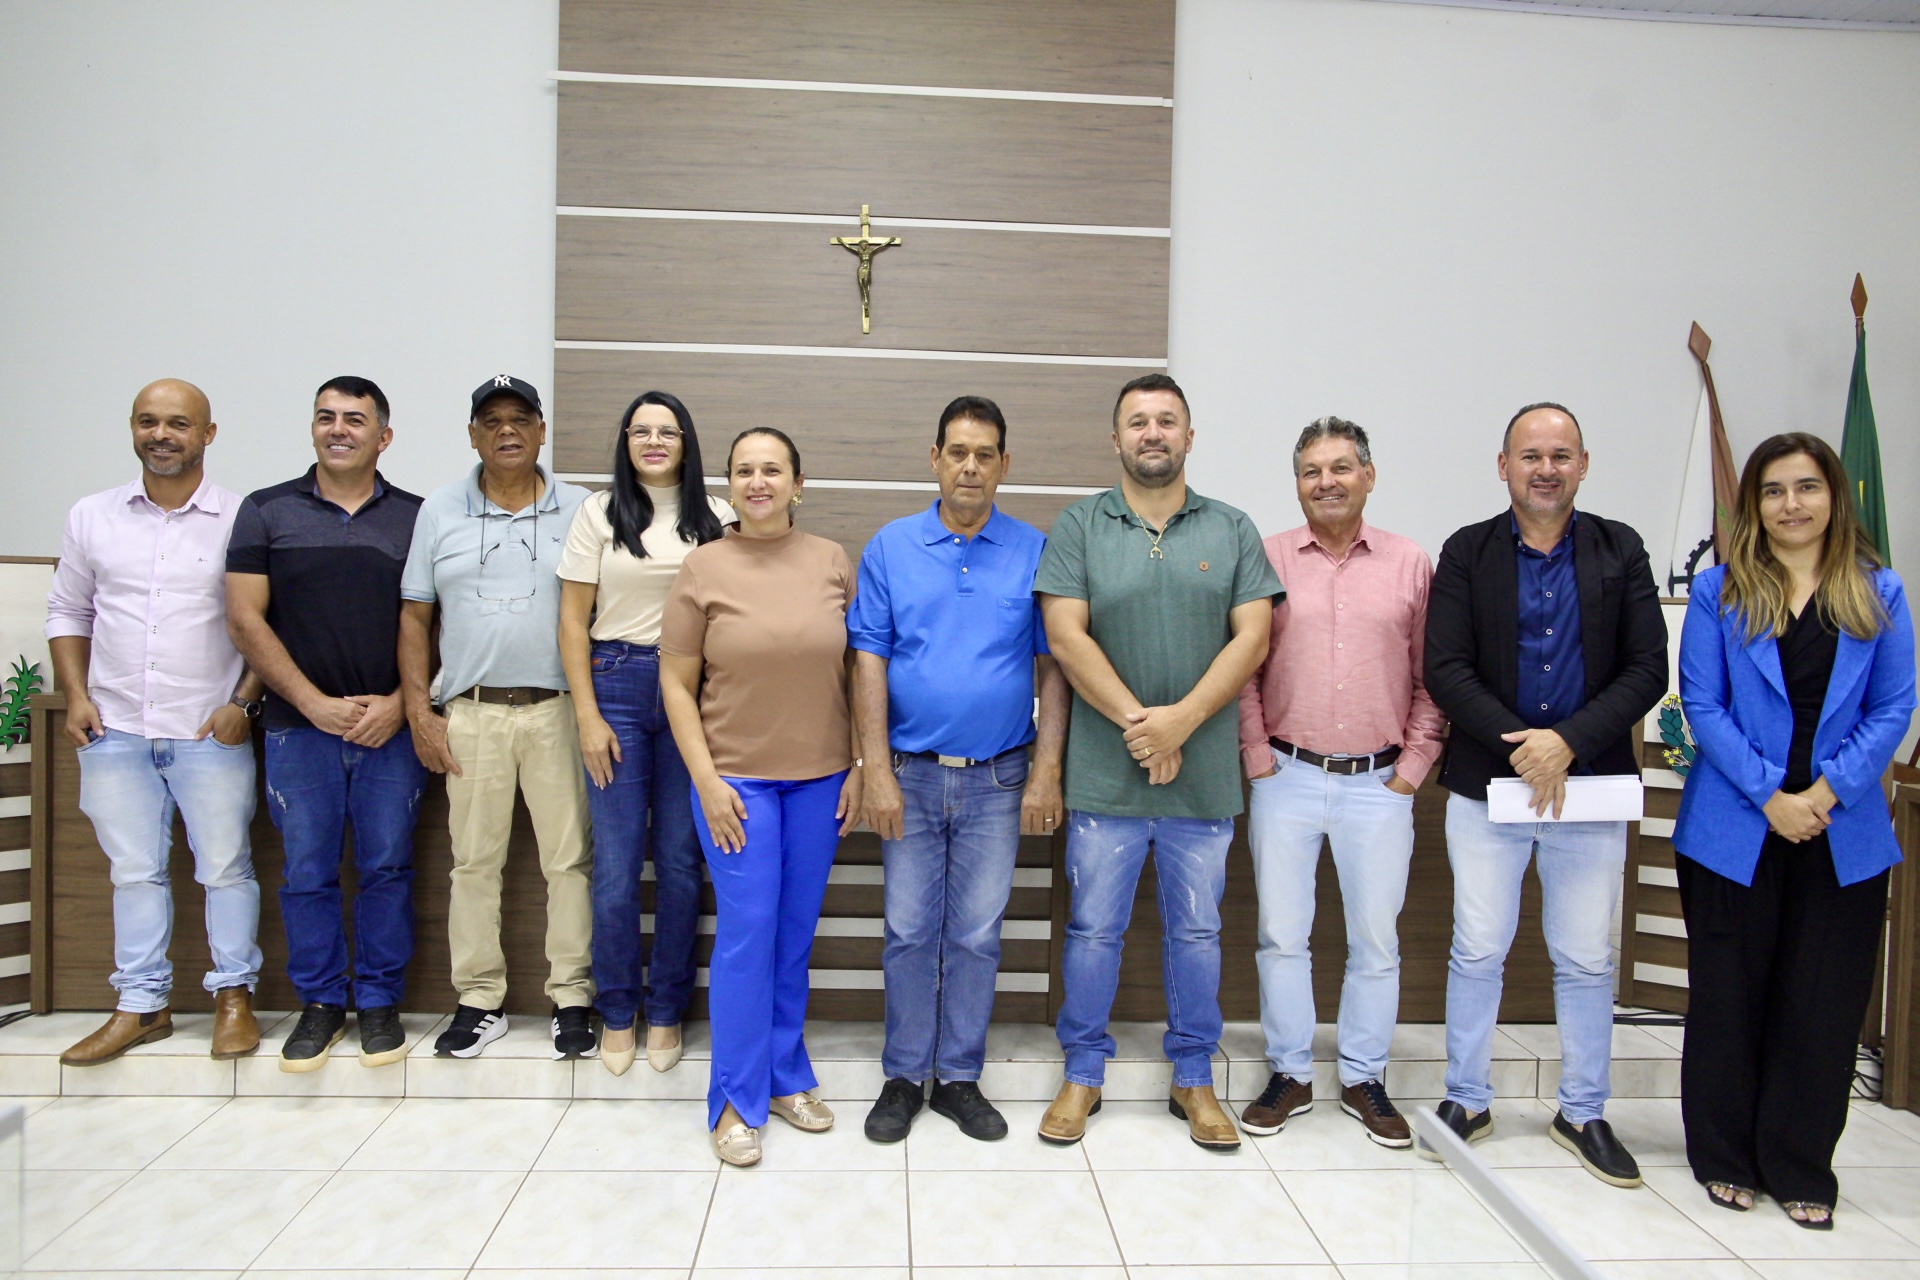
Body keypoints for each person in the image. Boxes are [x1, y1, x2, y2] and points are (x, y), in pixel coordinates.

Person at [1673, 432, 1915, 1229]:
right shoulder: (1720, 590)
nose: (1791, 504)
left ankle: (1801, 1163)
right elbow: (1702, 704)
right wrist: (1772, 796)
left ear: (1834, 496)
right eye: (1773, 491)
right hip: (1735, 826)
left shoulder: (1878, 591)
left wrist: (1825, 793)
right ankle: (1724, 1156)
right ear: (1754, 505)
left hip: (1841, 830)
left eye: (1807, 487)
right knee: (1729, 997)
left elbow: (1894, 706)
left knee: (1822, 1004)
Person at [1033, 373, 1282, 1150]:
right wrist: (1145, 727)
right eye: (1138, 421)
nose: (1152, 433)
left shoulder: (1232, 528)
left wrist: (1183, 723)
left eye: (1166, 421)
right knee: (1092, 932)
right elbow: (1065, 636)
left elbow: (1253, 638)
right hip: (1104, 779)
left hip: (1201, 783)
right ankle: (1083, 1072)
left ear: (1189, 436)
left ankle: (1194, 1078)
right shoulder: (1080, 525)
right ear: (1116, 439)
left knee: (1198, 934)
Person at [1422, 402, 1666, 1187]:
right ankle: (1467, 1100)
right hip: (1488, 786)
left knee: (1587, 956)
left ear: (1583, 465)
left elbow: (1647, 667)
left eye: (1561, 455)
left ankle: (1583, 1111)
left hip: (1588, 787)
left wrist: (1569, 743)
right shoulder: (1467, 552)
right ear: (1504, 467)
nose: (1546, 469)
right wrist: (1526, 749)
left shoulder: (1620, 548)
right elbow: (1445, 668)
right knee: (1478, 948)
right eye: (1530, 456)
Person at [851, 396, 1069, 1144]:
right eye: (957, 452)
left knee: (976, 933)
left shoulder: (1035, 550)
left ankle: (959, 1078)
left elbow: (1053, 668)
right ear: (935, 459)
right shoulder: (891, 547)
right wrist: (874, 769)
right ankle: (904, 1076)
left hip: (999, 779)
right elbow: (868, 661)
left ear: (1004, 464)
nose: (969, 467)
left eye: (984, 455)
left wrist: (1047, 769)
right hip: (910, 774)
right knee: (909, 930)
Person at [1235, 416, 1444, 1147]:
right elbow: (1243, 668)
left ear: (1369, 475)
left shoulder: (1410, 563)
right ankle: (1290, 1073)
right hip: (1286, 775)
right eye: (1311, 471)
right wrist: (1257, 757)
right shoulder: (1265, 559)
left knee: (1376, 941)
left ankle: (1362, 1076)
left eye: (1340, 467)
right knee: (1281, 936)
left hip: (1379, 783)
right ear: (1296, 483)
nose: (1326, 482)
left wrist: (1412, 768)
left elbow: (1432, 676)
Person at [659, 427, 863, 1167]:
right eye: (744, 470)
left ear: (797, 484)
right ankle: (734, 1100)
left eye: (772, 470)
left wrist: (859, 762)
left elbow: (857, 670)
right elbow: (675, 682)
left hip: (820, 780)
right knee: (748, 935)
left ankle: (784, 1076)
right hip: (735, 784)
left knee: (792, 937)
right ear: (729, 486)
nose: (758, 482)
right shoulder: (703, 567)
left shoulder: (831, 561)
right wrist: (706, 780)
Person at [48, 379, 266, 1065]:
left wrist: (243, 702)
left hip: (207, 729)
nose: (161, 435)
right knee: (134, 872)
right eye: (148, 422)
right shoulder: (93, 515)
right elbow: (68, 611)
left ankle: (234, 997)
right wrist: (76, 695)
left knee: (225, 868)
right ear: (133, 428)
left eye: (178, 423)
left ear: (208, 433)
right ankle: (141, 1005)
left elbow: (266, 623)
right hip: (113, 728)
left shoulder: (242, 518)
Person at [226, 376, 427, 1071]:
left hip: (390, 730)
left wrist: (402, 703)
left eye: (355, 419)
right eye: (326, 417)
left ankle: (378, 1000)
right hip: (298, 728)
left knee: (386, 868)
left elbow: (436, 622)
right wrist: (311, 702)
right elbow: (245, 620)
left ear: (384, 437)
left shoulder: (418, 517)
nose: (338, 429)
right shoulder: (266, 510)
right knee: (306, 872)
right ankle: (319, 1004)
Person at [398, 376, 595, 1059]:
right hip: (472, 714)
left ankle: (572, 997)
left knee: (569, 862)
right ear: (473, 435)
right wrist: (419, 710)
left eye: (520, 418)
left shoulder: (583, 509)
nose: (506, 430)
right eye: (491, 420)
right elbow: (415, 616)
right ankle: (479, 1000)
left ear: (541, 430)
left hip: (558, 711)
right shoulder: (439, 511)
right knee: (473, 863)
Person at [557, 390, 729, 1076]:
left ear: (687, 443)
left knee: (682, 862)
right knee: (617, 865)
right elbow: (572, 622)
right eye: (641, 431)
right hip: (617, 685)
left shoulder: (718, 517)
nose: (654, 442)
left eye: (668, 432)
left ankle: (665, 1011)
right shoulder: (598, 513)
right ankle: (617, 1008)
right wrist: (587, 714)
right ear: (625, 442)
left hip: (694, 691)